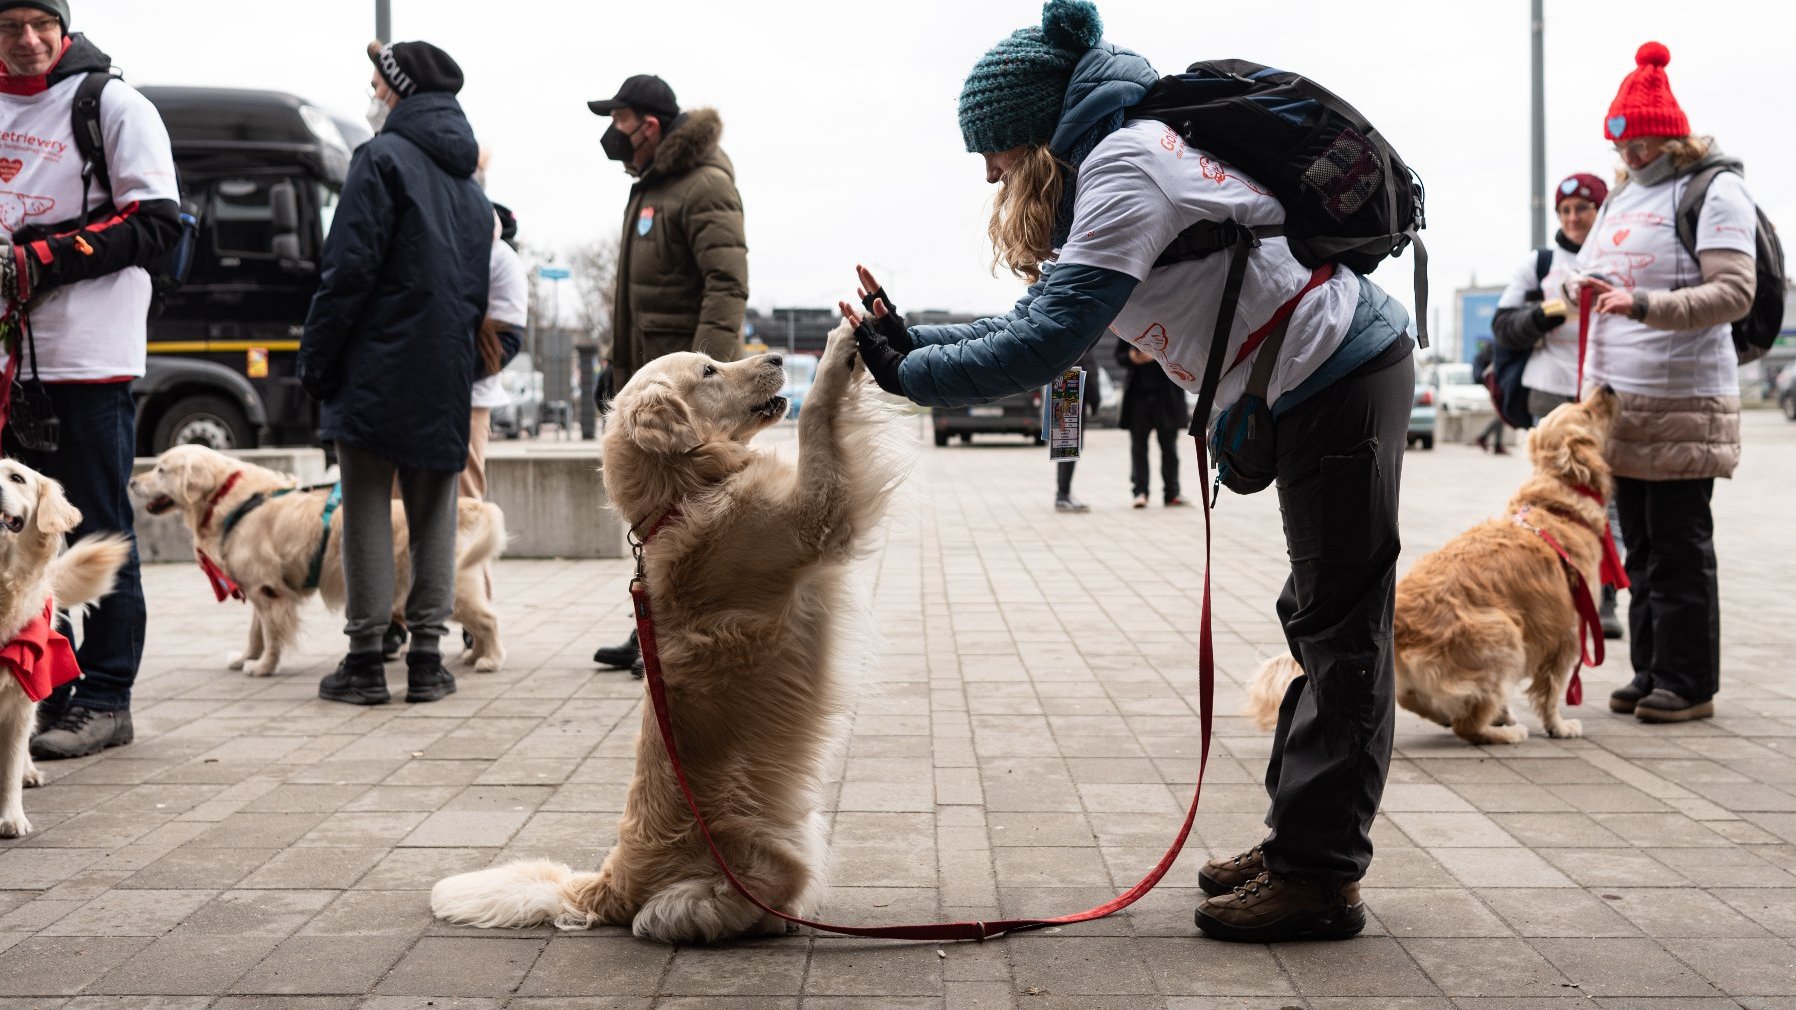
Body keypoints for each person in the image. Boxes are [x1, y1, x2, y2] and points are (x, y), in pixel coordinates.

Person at [841, 0, 1414, 942]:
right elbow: (1033, 320)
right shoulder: (1121, 161)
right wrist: (911, 341)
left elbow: (1043, 343)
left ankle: (1317, 876)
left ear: (1036, 134)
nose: (988, 171)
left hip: (1337, 371)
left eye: (994, 150)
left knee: (1342, 630)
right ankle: (1297, 844)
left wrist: (908, 373)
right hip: (1322, 376)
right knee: (1318, 616)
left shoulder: (1125, 167)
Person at [0, 0, 181, 759]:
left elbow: (157, 224)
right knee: (15, 540)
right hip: (11, 362)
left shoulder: (109, 103)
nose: (29, 39)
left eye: (42, 22)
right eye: (10, 25)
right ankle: (48, 687)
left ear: (63, 26)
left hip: (87, 357)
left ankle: (108, 694)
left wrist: (41, 258)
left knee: (95, 523)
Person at [298, 40, 492, 706]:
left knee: (366, 510)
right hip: (444, 370)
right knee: (435, 512)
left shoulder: (380, 159)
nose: (373, 94)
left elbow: (346, 272)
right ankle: (430, 662)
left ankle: (365, 659)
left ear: (397, 90)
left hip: (376, 366)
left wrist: (316, 361)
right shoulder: (470, 185)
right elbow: (475, 291)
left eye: (377, 84)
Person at [1571, 42, 1755, 724]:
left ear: (1671, 133)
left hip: (1683, 399)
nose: (1632, 155)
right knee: (1639, 545)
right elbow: (1588, 269)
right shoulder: (1623, 195)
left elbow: (1734, 291)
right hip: (1622, 401)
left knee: (1679, 546)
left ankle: (1688, 681)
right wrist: (1580, 284)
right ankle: (1650, 670)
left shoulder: (1714, 189)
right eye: (1623, 144)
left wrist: (1647, 305)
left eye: (1643, 141)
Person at [587, 73, 747, 676]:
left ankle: (682, 633)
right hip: (647, 378)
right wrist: (617, 363)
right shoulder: (653, 185)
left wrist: (706, 387)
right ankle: (650, 628)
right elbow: (641, 294)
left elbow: (726, 285)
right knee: (656, 518)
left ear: (648, 126)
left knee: (690, 518)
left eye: (620, 121)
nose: (613, 133)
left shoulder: (703, 185)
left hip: (684, 392)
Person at [1491, 172, 1626, 637]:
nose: (1573, 219)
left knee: (1606, 499)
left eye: (1582, 209)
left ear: (1600, 211)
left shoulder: (1619, 256)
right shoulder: (1541, 264)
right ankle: (1553, 584)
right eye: (1565, 211)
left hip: (1603, 395)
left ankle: (1604, 592)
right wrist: (1556, 309)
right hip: (1550, 395)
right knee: (1553, 498)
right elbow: (1504, 326)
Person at [1115, 337, 1188, 507]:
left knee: (1169, 447)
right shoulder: (1131, 324)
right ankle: (1140, 491)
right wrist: (1132, 357)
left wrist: (1156, 356)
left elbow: (1181, 354)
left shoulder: (1170, 323)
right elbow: (1119, 355)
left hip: (1166, 396)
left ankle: (1172, 493)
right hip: (1138, 396)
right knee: (1138, 447)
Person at [1052, 345, 1102, 512]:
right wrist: (1095, 401)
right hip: (1071, 386)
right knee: (1069, 447)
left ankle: (1062, 493)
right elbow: (1091, 370)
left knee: (1064, 446)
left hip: (1062, 385)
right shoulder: (1084, 340)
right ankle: (1063, 494)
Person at [1470, 340, 1510, 454]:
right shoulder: (1492, 352)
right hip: (1494, 384)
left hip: (1491, 384)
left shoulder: (1483, 353)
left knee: (1501, 413)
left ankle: (1497, 445)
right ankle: (1484, 438)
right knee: (1502, 414)